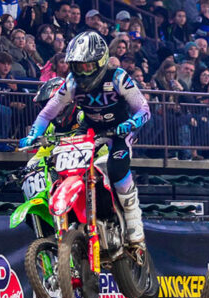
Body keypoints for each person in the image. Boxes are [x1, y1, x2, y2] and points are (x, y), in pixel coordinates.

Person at [19, 31, 150, 244]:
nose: (82, 71)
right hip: (89, 128)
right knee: (67, 167)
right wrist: (34, 134)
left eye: (87, 66)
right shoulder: (71, 83)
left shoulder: (118, 77)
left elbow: (143, 109)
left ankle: (134, 222)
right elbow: (47, 113)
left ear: (100, 61)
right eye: (77, 66)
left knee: (118, 171)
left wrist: (132, 123)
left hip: (119, 129)